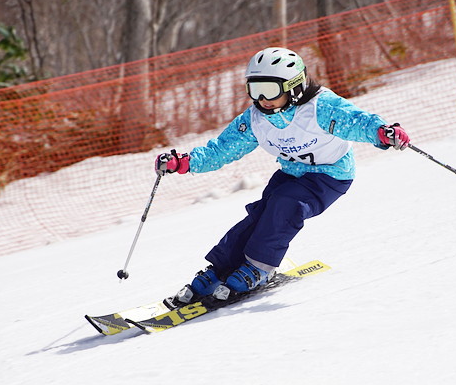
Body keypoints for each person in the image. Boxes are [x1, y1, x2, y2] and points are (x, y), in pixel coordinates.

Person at [155, 47, 410, 307]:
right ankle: (220, 269)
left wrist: (382, 132)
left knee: (285, 206)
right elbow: (221, 149)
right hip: (290, 173)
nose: (263, 98)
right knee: (259, 215)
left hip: (330, 175)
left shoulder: (320, 108)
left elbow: (356, 122)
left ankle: (259, 268)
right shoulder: (256, 119)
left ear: (294, 86)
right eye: (256, 90)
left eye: (270, 89)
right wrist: (184, 162)